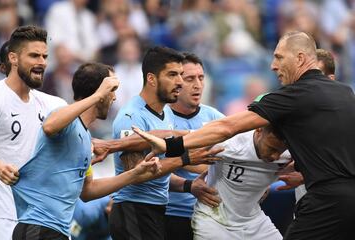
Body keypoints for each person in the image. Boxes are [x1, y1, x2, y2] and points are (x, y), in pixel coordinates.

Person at [133, 31, 355, 240]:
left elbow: (227, 127)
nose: (273, 65)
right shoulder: (345, 92)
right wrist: (305, 172)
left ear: (299, 58)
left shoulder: (294, 96)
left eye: (279, 57)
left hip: (325, 201)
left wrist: (170, 147)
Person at [9, 62, 162, 239]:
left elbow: (88, 191)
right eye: (112, 89)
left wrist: (135, 174)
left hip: (57, 231)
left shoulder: (86, 139)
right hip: (38, 227)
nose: (114, 97)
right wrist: (98, 95)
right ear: (100, 91)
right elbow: (49, 126)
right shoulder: (65, 118)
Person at [109, 46, 222, 240]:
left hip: (156, 210)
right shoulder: (131, 116)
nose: (179, 82)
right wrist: (185, 159)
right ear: (151, 79)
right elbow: (135, 173)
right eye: (172, 75)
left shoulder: (164, 115)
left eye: (180, 75)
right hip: (134, 209)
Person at [0, 25, 67, 240]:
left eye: (45, 56)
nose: (42, 62)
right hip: (2, 215)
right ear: (13, 58)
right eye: (34, 55)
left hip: (44, 218)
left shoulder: (54, 105)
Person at [191, 125, 290, 240]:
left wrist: (300, 175)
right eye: (271, 148)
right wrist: (189, 184)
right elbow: (180, 147)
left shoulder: (292, 152)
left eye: (281, 151)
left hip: (255, 222)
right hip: (214, 221)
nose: (276, 156)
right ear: (259, 130)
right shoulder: (229, 145)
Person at [165, 52, 224, 240]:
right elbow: (154, 168)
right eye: (190, 79)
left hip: (211, 214)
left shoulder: (215, 117)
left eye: (201, 78)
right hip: (172, 213)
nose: (197, 85)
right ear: (176, 82)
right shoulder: (160, 118)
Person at [278, 47, 337, 202]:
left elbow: (345, 162)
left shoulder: (344, 114)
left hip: (338, 206)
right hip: (306, 204)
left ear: (330, 79)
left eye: (316, 76)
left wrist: (305, 177)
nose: (307, 83)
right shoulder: (294, 114)